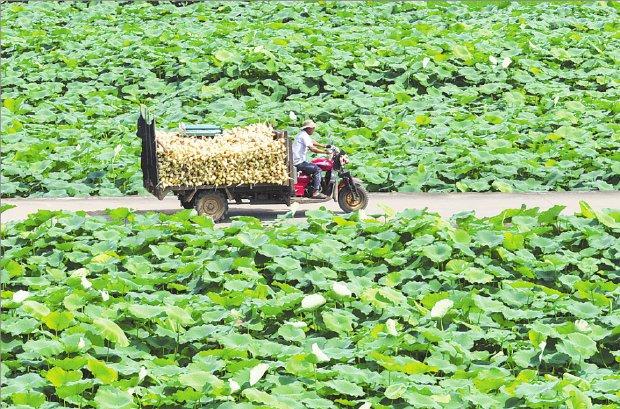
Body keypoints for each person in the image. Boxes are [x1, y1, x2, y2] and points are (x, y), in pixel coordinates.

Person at [292, 119, 329, 198]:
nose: (314, 130)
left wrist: (324, 146)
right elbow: (312, 149)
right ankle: (315, 192)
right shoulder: (303, 136)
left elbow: (311, 141)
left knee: (313, 165)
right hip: (299, 162)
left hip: (298, 161)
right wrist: (325, 152)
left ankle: (311, 186)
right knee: (317, 170)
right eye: (313, 128)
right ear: (309, 128)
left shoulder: (303, 134)